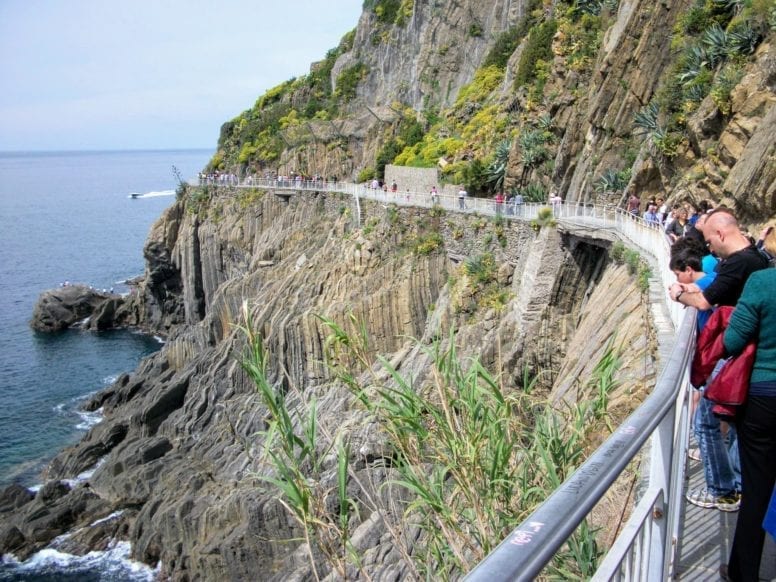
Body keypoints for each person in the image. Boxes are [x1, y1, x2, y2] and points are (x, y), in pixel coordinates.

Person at [671, 210, 769, 511]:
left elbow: (704, 301)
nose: (709, 248)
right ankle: (738, 485)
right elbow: (715, 289)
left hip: (735, 354)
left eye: (711, 240)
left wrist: (677, 294)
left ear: (722, 234)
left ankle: (722, 490)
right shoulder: (758, 259)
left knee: (706, 422)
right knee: (736, 423)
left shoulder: (739, 263)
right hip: (747, 356)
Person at [721, 227, 776, 581]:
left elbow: (731, 340)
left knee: (757, 488)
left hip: (765, 399)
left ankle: (744, 572)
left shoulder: (762, 282)